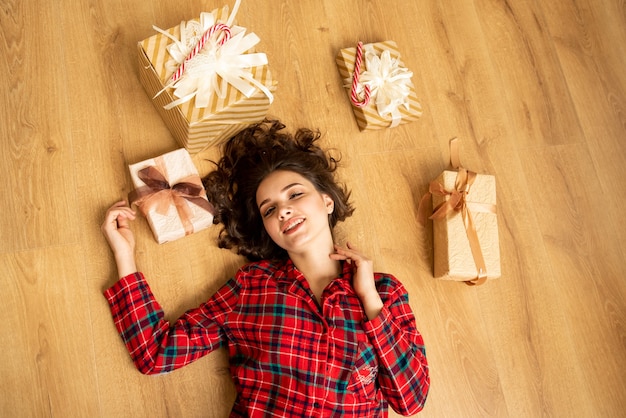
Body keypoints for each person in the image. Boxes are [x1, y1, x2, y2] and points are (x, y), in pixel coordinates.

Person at [101, 120, 430, 417]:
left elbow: (411, 400)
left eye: (295, 194)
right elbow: (155, 354)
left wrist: (370, 300)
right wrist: (124, 254)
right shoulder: (251, 288)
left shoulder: (385, 292)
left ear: (327, 201)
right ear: (267, 227)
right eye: (269, 209)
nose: (284, 211)